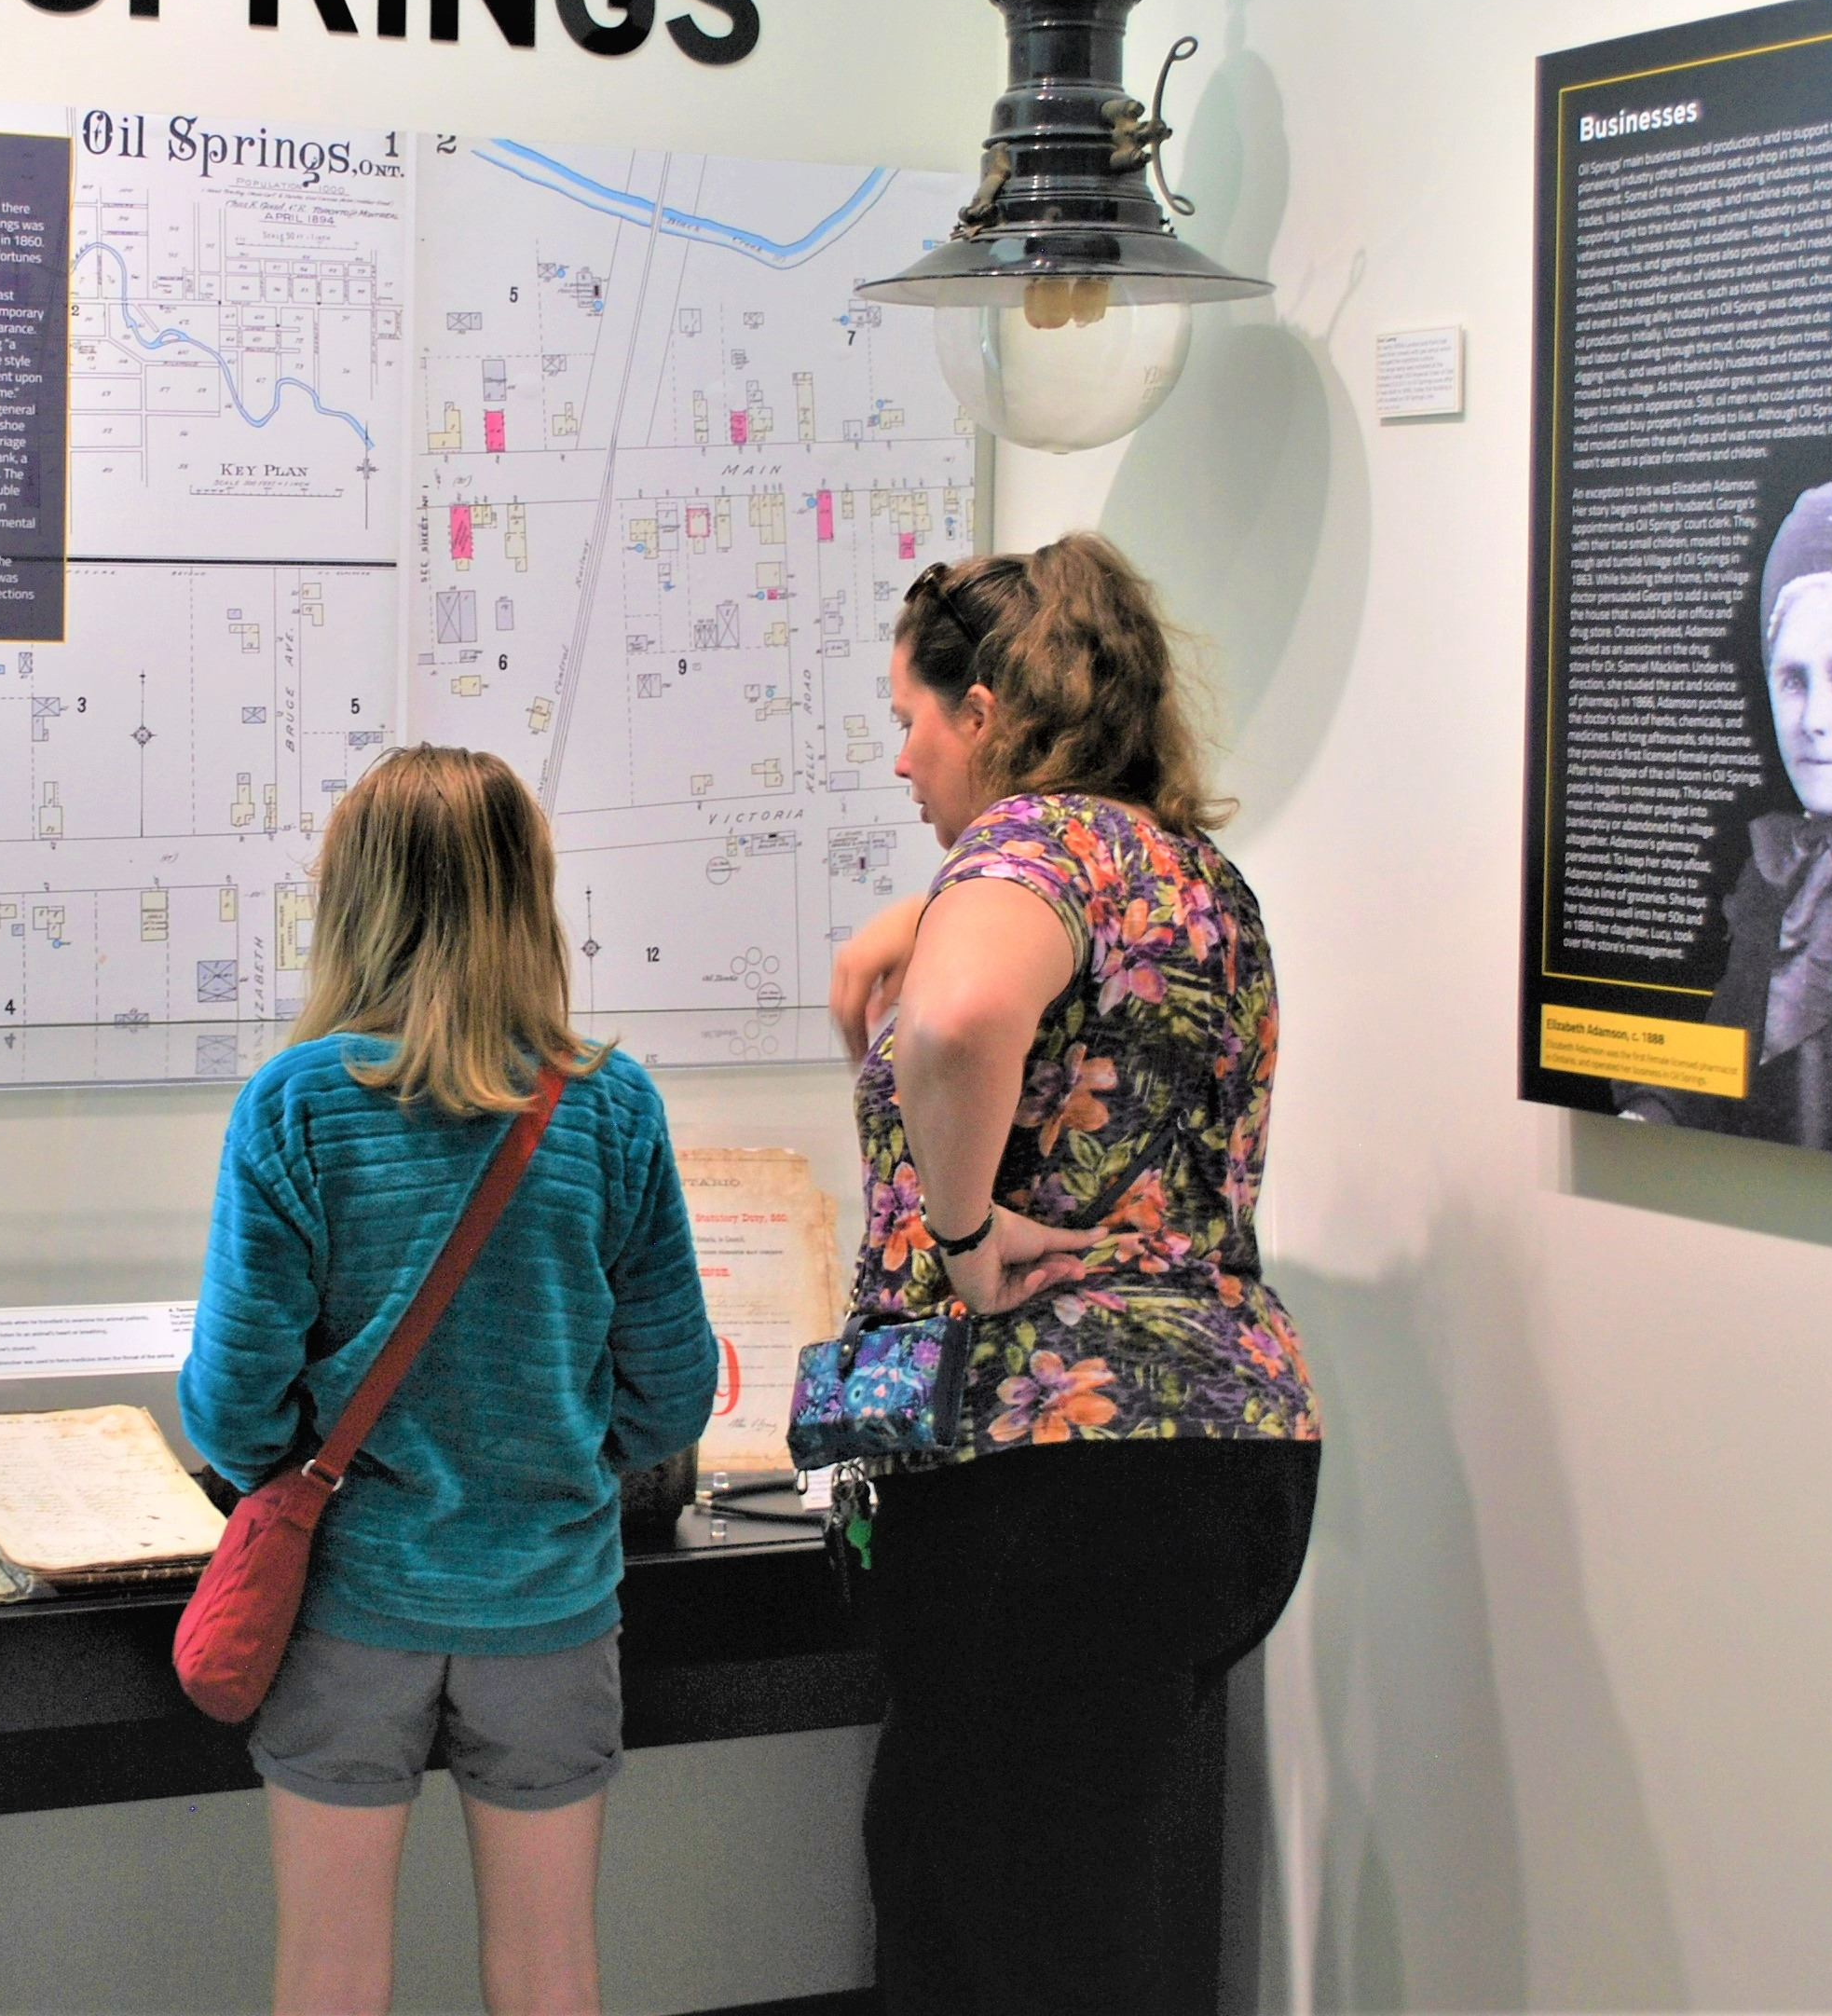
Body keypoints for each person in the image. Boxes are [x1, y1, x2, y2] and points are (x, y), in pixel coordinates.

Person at [826, 532, 1321, 2016]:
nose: (903, 760)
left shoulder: (1027, 851)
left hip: (1054, 1474)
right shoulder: (1191, 872)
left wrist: (969, 1244)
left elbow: (963, 1021)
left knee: (994, 1931)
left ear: (987, 713)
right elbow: (933, 1001)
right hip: (1229, 1455)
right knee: (1054, 1897)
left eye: (911, 719)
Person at [178, 745, 717, 2016]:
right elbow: (672, 1395)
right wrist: (566, 1450)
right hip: (550, 1603)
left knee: (328, 1972)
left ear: (351, 902)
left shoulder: (297, 1107)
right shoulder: (611, 1106)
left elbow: (233, 1405)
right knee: (549, 1972)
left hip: (351, 1606)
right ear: (529, 900)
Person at [1616, 480, 1832, 1155]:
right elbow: (1726, 1053)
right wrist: (1651, 1113)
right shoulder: (1773, 871)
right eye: (1794, 680)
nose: (1814, 722)